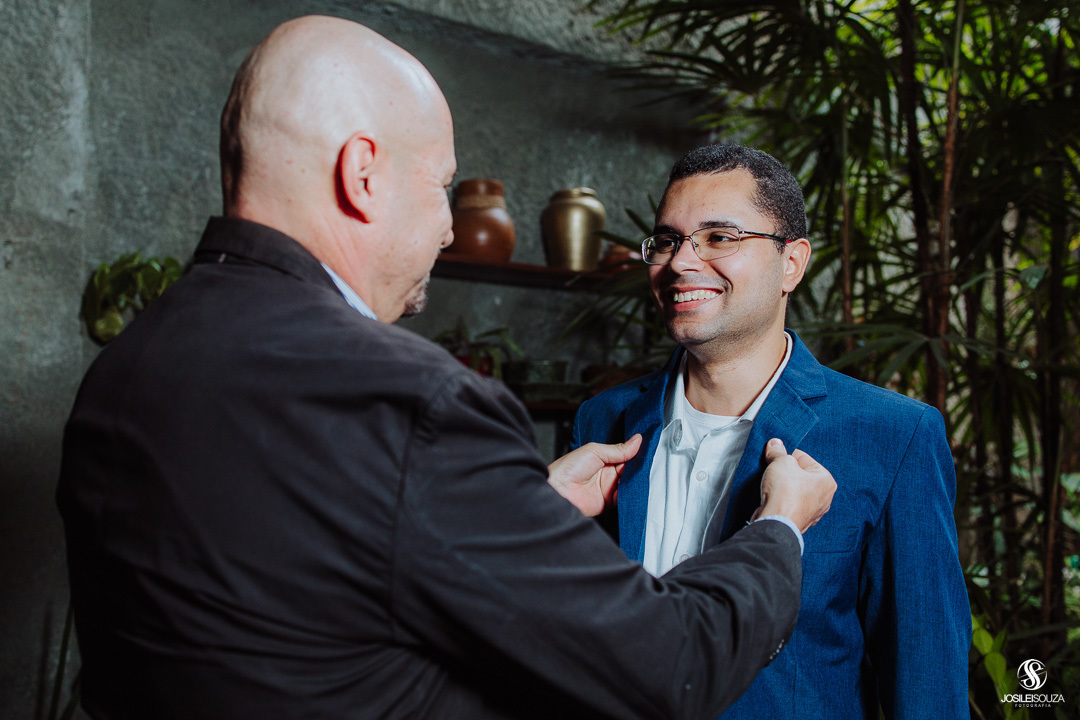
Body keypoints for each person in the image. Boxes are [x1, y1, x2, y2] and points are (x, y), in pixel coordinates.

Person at [57, 17, 838, 720]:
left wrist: (516, 509)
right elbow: (674, 666)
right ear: (362, 175)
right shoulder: (411, 400)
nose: (445, 229)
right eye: (441, 190)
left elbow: (298, 577)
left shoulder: (129, 366)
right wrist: (778, 528)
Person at [571, 144, 970, 719]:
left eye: (719, 237)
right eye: (667, 240)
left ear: (792, 263)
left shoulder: (893, 436)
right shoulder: (601, 421)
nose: (682, 261)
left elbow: (926, 680)